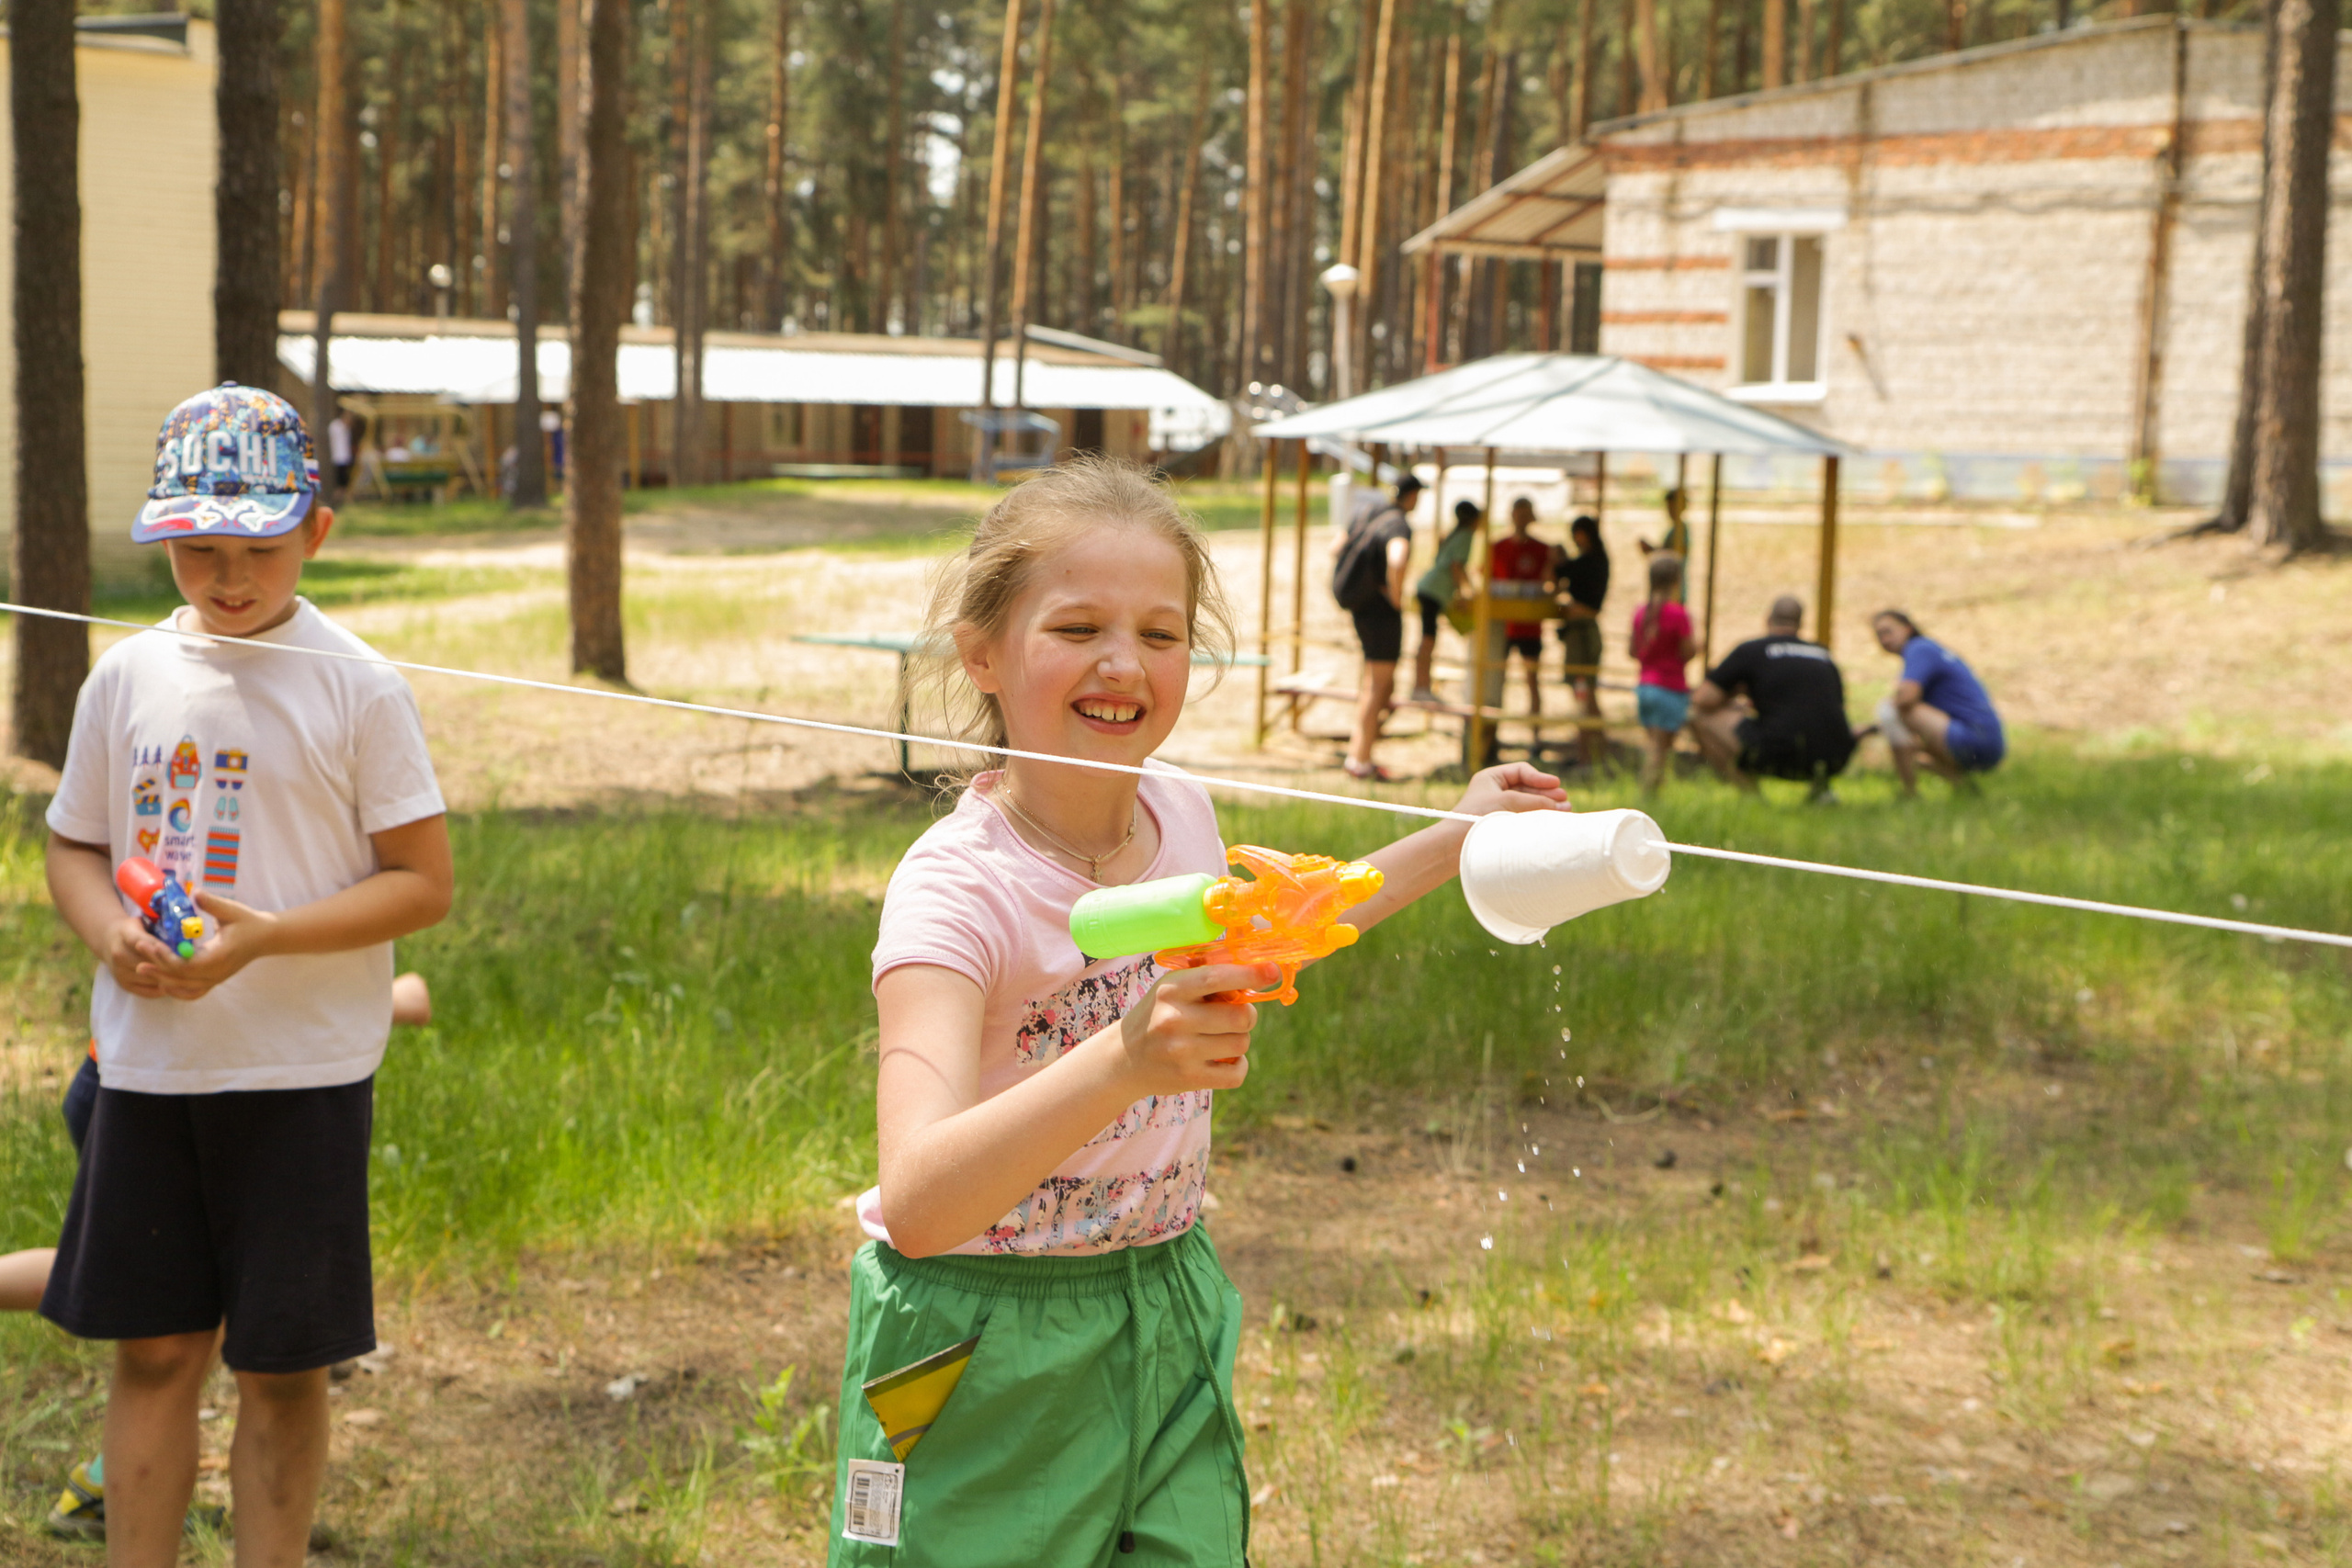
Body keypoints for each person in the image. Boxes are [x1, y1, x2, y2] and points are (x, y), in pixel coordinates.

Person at [839, 456, 1567, 1568]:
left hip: (1162, 1294)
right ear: (980, 653)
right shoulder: (956, 891)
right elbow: (922, 1199)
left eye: (1162, 634)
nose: (1123, 663)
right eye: (1077, 627)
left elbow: (1278, 924)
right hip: (974, 1334)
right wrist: (1125, 1062)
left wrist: (1457, 833)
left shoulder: (1179, 811)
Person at [40, 383, 454, 1568]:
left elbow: (422, 885)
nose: (229, 579)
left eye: (258, 550)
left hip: (301, 1077)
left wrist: (266, 937)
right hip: (150, 1070)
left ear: (315, 535)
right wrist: (100, 931)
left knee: (279, 1366)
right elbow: (75, 845)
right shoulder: (124, 679)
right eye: (199, 551)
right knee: (157, 1350)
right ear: (165, 537)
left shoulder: (360, 686)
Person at [6, 975, 434, 1541]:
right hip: (157, 1077)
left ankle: (106, 1485)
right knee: (154, 1300)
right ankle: (103, 1489)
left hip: (166, 1074)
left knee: (176, 1305)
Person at [1690, 594, 1855, 802]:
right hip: (1836, 756)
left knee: (1697, 715)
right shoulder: (1823, 655)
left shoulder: (1752, 650)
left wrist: (1736, 695)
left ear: (1768, 620)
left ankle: (1751, 797)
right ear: (1800, 624)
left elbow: (1703, 699)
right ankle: (1820, 790)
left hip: (1780, 754)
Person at [1332, 473, 1420, 782]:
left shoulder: (1367, 512)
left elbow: (1335, 547)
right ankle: (1361, 759)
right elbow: (1397, 559)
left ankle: (1358, 753)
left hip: (1360, 609)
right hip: (1382, 614)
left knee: (1373, 682)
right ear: (1412, 496)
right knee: (1379, 685)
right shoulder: (1399, 523)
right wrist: (1396, 597)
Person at [1862, 610, 2005, 796]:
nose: (1884, 639)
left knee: (1889, 710)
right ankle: (1964, 788)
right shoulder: (1930, 648)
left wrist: (1878, 728)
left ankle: (1909, 792)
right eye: (1879, 635)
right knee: (1915, 753)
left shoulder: (1919, 648)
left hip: (1971, 739)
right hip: (1989, 743)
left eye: (1888, 631)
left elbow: (1906, 699)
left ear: (1907, 629)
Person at [1629, 554, 1697, 798]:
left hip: (1645, 687)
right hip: (1670, 688)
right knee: (1659, 750)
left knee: (1656, 747)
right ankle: (1645, 798)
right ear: (1677, 580)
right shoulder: (1677, 614)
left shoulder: (1640, 612)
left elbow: (1633, 650)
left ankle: (1656, 796)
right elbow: (1688, 651)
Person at [1553, 514, 1610, 768]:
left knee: (1583, 693)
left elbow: (1566, 576)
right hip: (1583, 632)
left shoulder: (1590, 562)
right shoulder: (1594, 560)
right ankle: (1592, 751)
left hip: (1582, 634)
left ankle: (1587, 753)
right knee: (1587, 694)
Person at [1408, 499, 1478, 703]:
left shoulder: (1456, 534)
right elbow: (1456, 566)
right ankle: (1421, 687)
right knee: (1428, 640)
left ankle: (1421, 685)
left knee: (1427, 640)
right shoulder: (1466, 535)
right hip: (1433, 590)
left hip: (1430, 588)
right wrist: (1466, 593)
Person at [1490, 497, 1553, 719]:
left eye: (1527, 514)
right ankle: (1490, 735)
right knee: (1494, 681)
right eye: (1519, 514)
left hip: (1530, 627)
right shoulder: (1497, 548)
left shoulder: (1543, 549)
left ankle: (1535, 734)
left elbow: (1550, 583)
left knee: (1532, 680)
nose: (1522, 519)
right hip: (1502, 626)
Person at [1637, 486, 1691, 604]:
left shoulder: (1680, 531)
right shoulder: (1676, 530)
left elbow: (1675, 556)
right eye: (1668, 507)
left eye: (1672, 506)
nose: (1669, 510)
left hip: (1673, 590)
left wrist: (1654, 551)